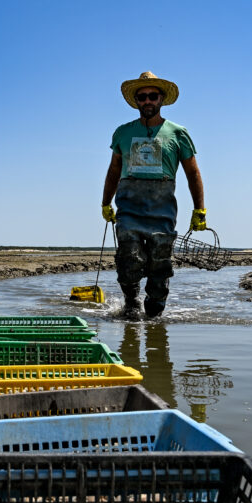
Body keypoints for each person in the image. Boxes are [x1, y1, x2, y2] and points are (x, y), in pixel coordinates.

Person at [101, 71, 206, 319]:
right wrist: (105, 203)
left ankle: (155, 312)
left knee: (161, 265)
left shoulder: (178, 133)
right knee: (129, 259)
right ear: (136, 102)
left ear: (161, 100)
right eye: (142, 97)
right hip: (129, 208)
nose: (147, 101)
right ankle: (131, 304)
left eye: (152, 96)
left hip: (162, 210)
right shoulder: (122, 133)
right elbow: (114, 170)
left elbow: (193, 173)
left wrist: (199, 209)